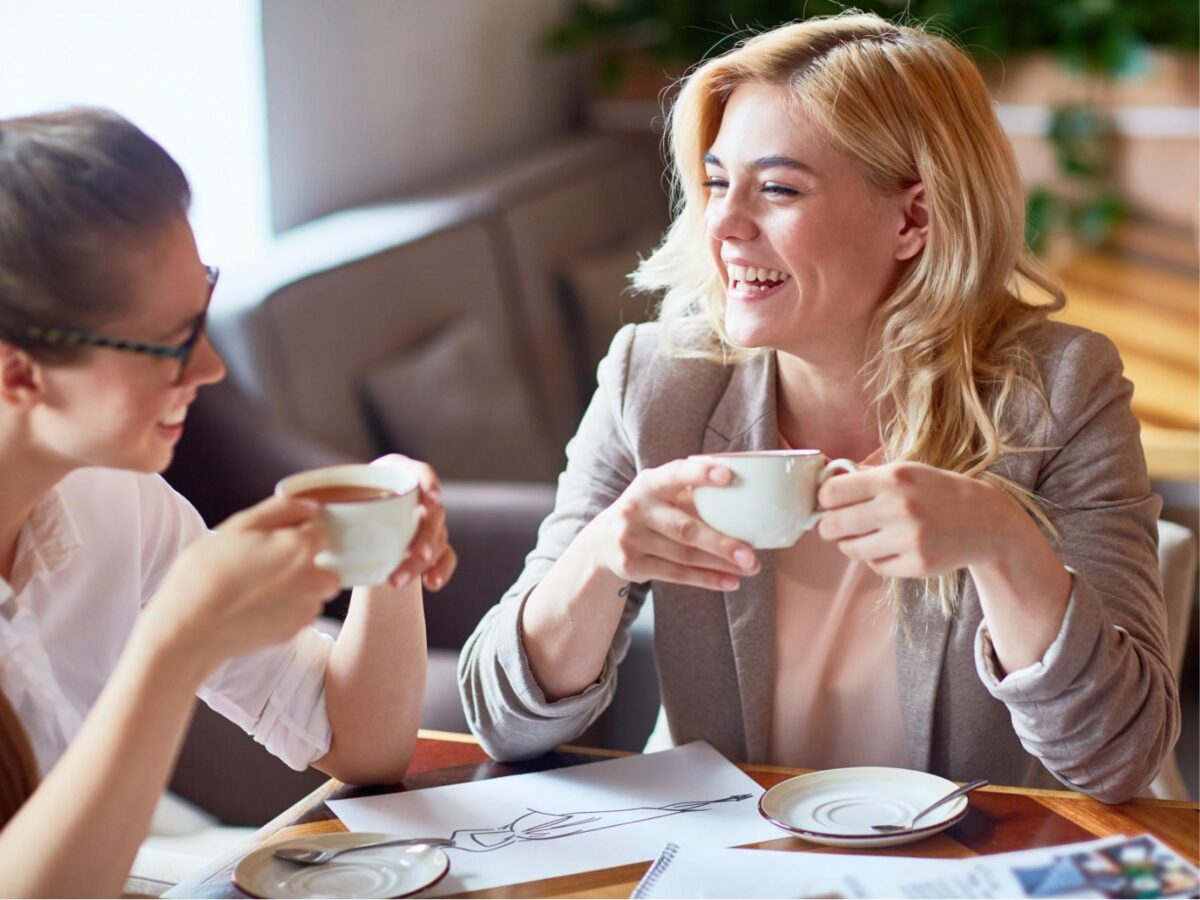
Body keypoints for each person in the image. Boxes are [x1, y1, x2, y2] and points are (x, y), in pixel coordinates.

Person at [459, 13, 1179, 804]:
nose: (725, 226)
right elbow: (501, 721)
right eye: (715, 182)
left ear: (914, 219)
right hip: (725, 860)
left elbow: (1121, 757)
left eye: (776, 189)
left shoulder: (1060, 391)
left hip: (954, 870)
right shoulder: (657, 379)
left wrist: (1006, 546)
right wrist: (600, 556)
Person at [0, 108, 456, 896]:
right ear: (19, 372)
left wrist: (385, 548)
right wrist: (175, 644)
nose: (209, 367)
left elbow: (361, 744)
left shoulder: (117, 503)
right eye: (173, 341)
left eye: (203, 312)